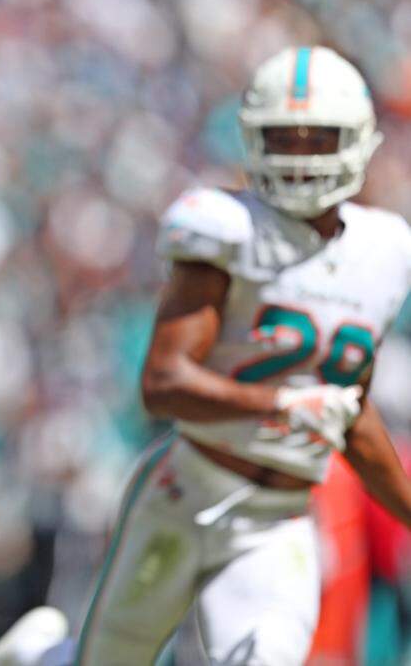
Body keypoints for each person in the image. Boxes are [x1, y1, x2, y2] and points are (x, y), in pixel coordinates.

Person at [76, 46, 411, 663]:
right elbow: (163, 382)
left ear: (360, 140)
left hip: (277, 520)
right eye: (286, 138)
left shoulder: (386, 250)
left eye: (320, 139)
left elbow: (349, 411)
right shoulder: (226, 227)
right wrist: (281, 405)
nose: (302, 157)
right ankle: (36, 653)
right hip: (184, 493)